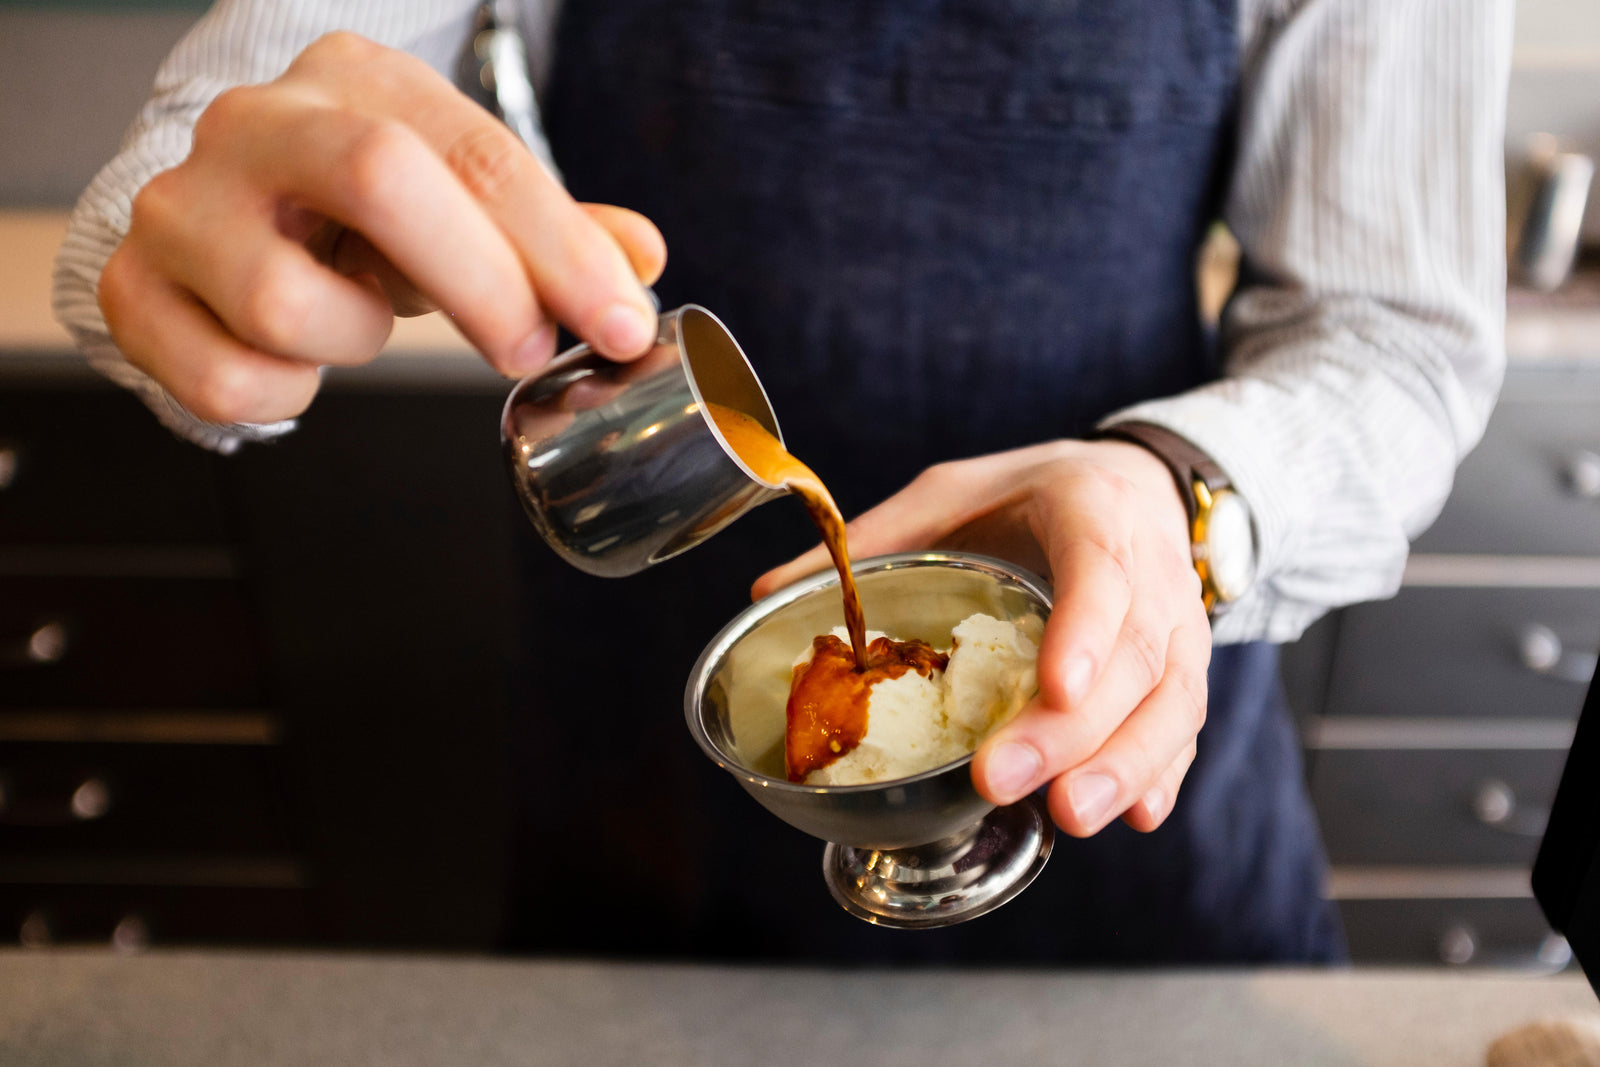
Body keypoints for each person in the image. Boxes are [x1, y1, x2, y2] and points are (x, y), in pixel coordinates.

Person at [54, 0, 1512, 963]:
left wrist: (1173, 487)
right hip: (651, 797)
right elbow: (159, 197)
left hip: (1130, 778)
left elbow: (1399, 338)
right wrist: (204, 263)